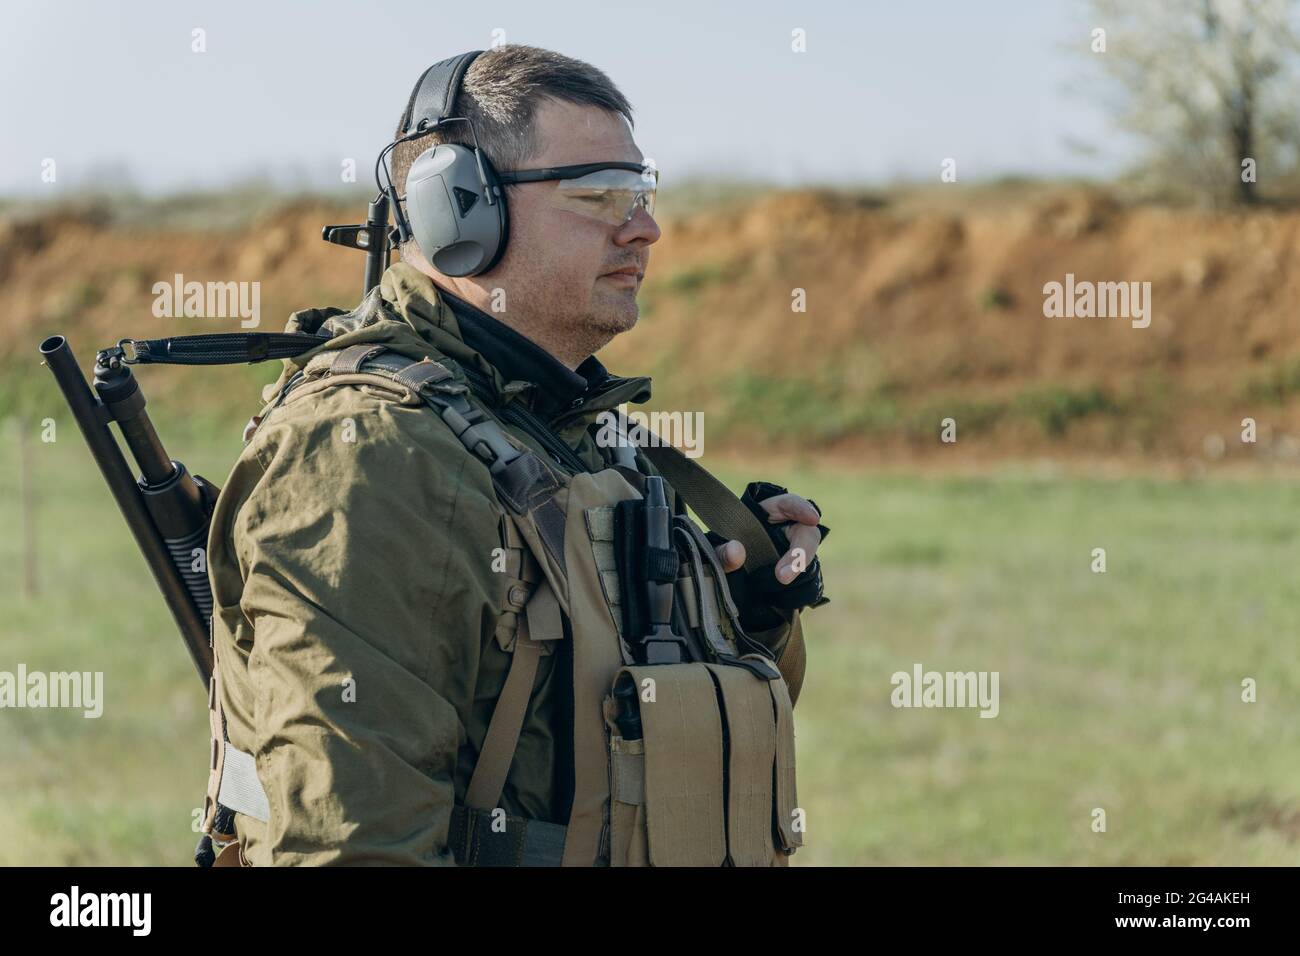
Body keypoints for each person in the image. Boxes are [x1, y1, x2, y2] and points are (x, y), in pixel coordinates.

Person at [202, 44, 829, 866]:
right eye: (599, 193)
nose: (645, 228)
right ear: (459, 209)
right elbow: (349, 842)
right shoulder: (367, 458)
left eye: (641, 192)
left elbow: (671, 752)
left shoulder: (576, 431)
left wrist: (749, 607)